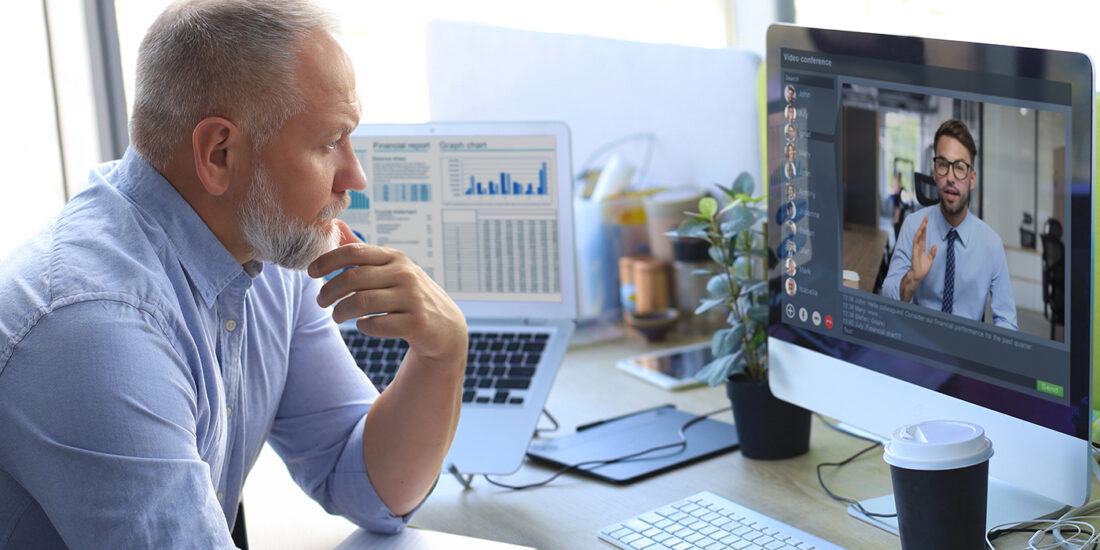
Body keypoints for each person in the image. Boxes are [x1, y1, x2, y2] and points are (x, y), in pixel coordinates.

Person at [0, 1, 468, 546]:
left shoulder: (264, 251)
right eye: (329, 142)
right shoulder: (95, 329)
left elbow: (367, 485)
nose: (354, 177)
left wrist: (443, 354)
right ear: (219, 153)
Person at [882, 120, 1017, 329]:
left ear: (972, 179)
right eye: (943, 165)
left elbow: (1007, 321)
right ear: (935, 173)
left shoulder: (991, 245)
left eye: (960, 168)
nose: (951, 177)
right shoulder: (913, 227)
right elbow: (887, 298)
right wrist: (912, 279)